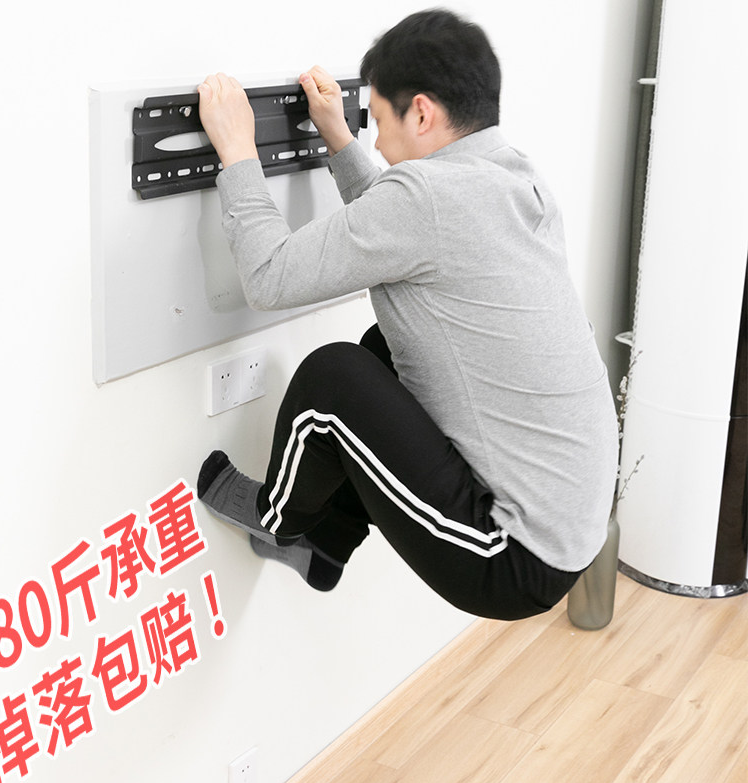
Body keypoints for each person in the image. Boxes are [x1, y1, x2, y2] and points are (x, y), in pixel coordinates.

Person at [194, 9, 619, 620]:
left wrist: (237, 150)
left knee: (333, 380)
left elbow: (268, 275)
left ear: (421, 113)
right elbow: (400, 230)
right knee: (385, 346)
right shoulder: (514, 178)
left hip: (507, 556)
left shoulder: (425, 197)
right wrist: (338, 138)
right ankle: (326, 544)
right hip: (573, 526)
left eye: (377, 116)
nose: (374, 137)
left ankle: (278, 522)